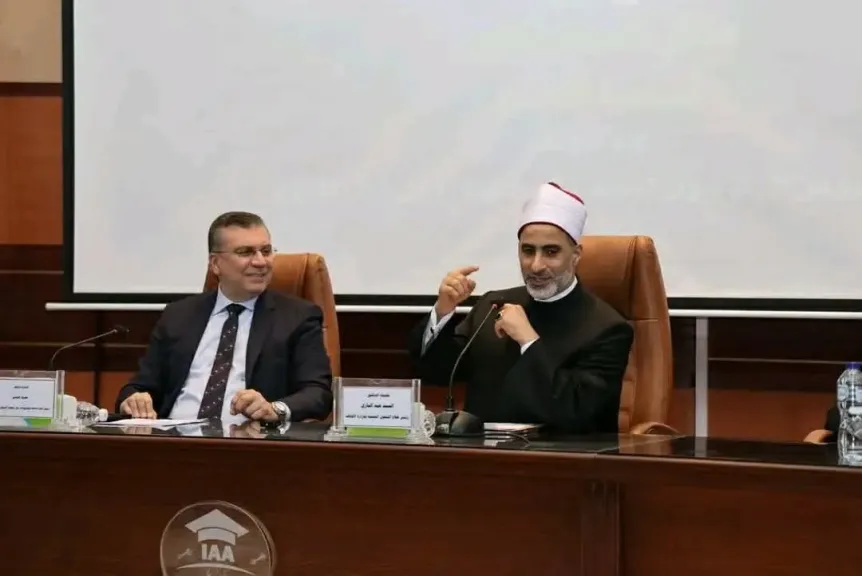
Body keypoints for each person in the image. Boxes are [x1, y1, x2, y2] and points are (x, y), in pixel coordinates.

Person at [408, 182, 634, 434]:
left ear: (576, 255)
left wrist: (528, 341)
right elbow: (436, 372)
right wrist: (443, 310)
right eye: (528, 251)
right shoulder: (492, 306)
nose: (536, 265)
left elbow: (576, 411)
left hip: (559, 454)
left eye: (551, 252)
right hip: (479, 452)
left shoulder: (607, 328)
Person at [115, 211, 333, 425]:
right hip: (173, 436)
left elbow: (318, 394)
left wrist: (274, 409)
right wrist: (133, 399)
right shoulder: (179, 315)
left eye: (266, 251)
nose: (260, 262)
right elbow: (140, 386)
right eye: (245, 252)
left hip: (247, 440)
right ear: (215, 263)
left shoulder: (297, 317)